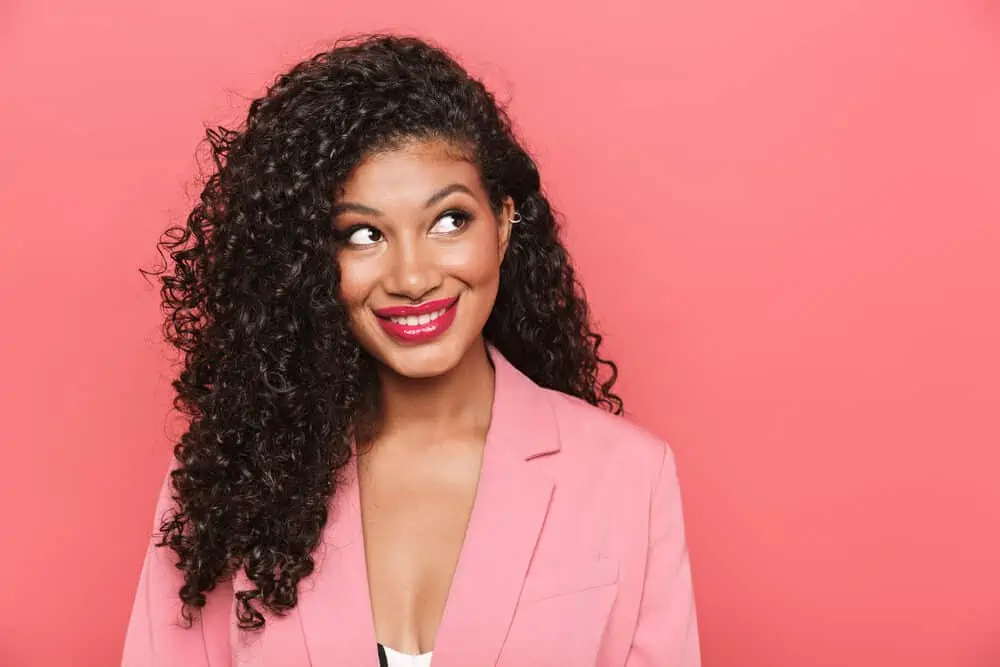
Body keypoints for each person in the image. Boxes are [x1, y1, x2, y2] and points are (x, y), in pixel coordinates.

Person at [123, 34, 701, 667]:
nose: (412, 276)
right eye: (363, 234)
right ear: (311, 261)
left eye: (448, 221)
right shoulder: (230, 480)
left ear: (504, 221)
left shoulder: (628, 479)